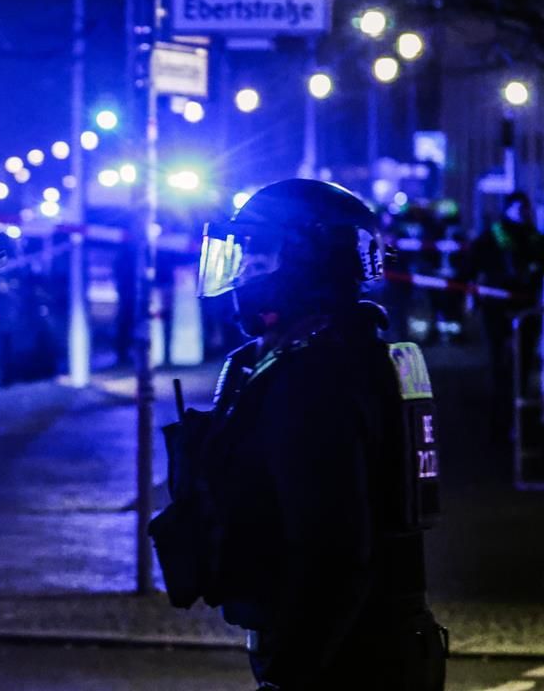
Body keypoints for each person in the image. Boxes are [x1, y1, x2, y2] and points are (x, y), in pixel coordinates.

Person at [151, 179, 447, 690]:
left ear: (310, 261)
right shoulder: (323, 356)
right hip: (353, 646)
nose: (242, 271)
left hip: (348, 660)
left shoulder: (317, 378)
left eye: (258, 255)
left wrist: (291, 676)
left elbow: (334, 553)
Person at [467, 191, 544, 445]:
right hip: (498, 312)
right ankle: (500, 425)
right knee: (501, 368)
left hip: (527, 314)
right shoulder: (493, 236)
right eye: (518, 208)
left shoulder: (534, 238)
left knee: (521, 367)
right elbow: (470, 264)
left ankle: (519, 424)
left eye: (526, 208)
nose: (523, 212)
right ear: (508, 209)